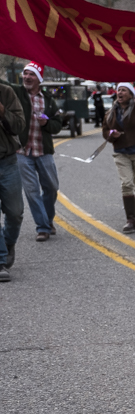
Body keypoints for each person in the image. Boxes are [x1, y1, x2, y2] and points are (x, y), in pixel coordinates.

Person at [4, 63, 62, 241]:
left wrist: (47, 124)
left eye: (32, 75)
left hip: (43, 151)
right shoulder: (17, 93)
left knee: (51, 188)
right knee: (32, 191)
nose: (27, 77)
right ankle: (42, 227)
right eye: (25, 73)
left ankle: (48, 220)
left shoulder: (49, 100)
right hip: (22, 152)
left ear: (39, 79)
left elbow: (58, 125)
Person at [103, 82, 135, 233]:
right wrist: (111, 135)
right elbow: (105, 131)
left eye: (124, 90)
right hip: (121, 152)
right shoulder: (110, 112)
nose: (120, 92)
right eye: (119, 90)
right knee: (126, 184)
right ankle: (130, 220)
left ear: (131, 94)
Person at [0, 82, 26, 281]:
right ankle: (0, 260)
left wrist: (2, 111)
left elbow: (19, 124)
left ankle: (7, 244)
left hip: (7, 161)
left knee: (15, 212)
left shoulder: (6, 92)